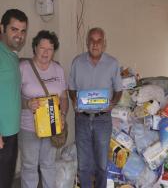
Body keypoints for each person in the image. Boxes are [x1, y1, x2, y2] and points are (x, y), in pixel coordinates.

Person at [69, 27, 122, 188]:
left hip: (102, 120)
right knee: (84, 166)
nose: (95, 44)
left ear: (104, 44)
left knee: (101, 165)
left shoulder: (113, 63)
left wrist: (112, 103)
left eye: (99, 41)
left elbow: (119, 90)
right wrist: (74, 100)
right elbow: (71, 88)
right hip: (82, 119)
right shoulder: (77, 62)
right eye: (92, 40)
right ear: (87, 42)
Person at [19, 30, 69, 188]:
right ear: (35, 47)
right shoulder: (23, 68)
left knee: (48, 165)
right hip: (28, 127)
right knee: (29, 167)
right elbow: (12, 97)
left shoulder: (58, 69)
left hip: (52, 126)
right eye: (42, 48)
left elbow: (64, 97)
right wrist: (27, 104)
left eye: (50, 49)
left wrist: (62, 113)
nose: (46, 52)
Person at [0, 9, 28, 188]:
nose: (19, 35)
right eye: (14, 29)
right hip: (2, 134)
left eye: (23, 30)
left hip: (11, 132)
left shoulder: (11, 55)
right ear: (2, 28)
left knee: (6, 179)